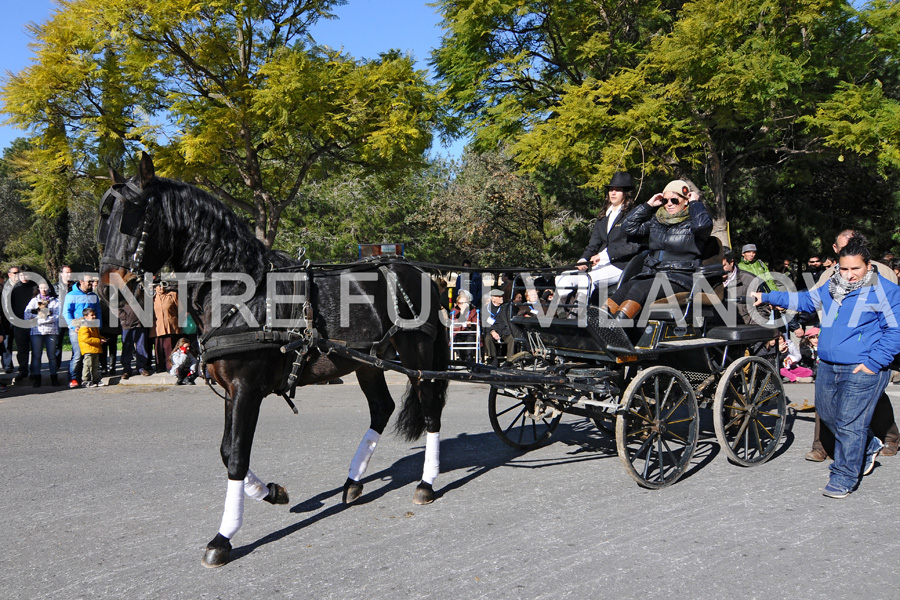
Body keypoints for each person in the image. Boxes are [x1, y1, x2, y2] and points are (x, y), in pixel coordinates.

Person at [754, 238, 900, 498]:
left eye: (855, 269)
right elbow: (805, 301)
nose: (849, 275)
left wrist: (873, 363)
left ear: (868, 266)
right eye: (844, 269)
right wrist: (766, 296)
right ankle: (867, 446)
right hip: (829, 366)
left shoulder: (885, 291)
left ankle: (844, 476)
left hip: (862, 367)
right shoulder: (832, 287)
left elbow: (895, 332)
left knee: (849, 422)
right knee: (831, 418)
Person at [804, 230, 900, 460]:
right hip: (835, 345)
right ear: (835, 250)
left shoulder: (882, 273)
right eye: (840, 248)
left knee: (872, 398)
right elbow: (814, 301)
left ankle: (889, 436)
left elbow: (889, 313)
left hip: (869, 348)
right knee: (825, 400)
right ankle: (822, 445)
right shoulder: (829, 274)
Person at [605, 179, 712, 321]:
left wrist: (695, 203)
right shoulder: (658, 221)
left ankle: (616, 328)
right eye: (665, 200)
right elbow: (628, 226)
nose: (669, 204)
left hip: (680, 276)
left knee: (639, 289)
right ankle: (599, 321)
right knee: (624, 289)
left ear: (686, 200)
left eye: (674, 200)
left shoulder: (693, 223)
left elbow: (702, 225)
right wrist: (648, 205)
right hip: (654, 272)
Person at [556, 172, 643, 303]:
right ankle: (563, 313)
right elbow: (594, 244)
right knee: (563, 277)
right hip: (599, 267)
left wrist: (603, 256)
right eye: (611, 190)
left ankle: (578, 316)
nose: (613, 193)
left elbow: (632, 246)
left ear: (626, 193)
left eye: (618, 190)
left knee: (587, 279)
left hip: (620, 266)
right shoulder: (603, 216)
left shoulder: (632, 215)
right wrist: (583, 259)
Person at [63, 273, 102, 388]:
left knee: (91, 353)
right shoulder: (71, 295)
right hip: (77, 329)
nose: (91, 283)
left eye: (91, 281)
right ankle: (73, 378)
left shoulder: (93, 295)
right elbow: (67, 312)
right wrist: (73, 326)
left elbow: (98, 311)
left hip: (91, 329)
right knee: (78, 354)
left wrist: (98, 326)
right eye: (89, 281)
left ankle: (89, 378)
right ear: (81, 281)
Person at [23, 282, 61, 387]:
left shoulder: (55, 301)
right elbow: (27, 315)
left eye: (46, 288)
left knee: (52, 355)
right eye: (41, 288)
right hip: (36, 331)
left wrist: (37, 319)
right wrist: (42, 318)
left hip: (51, 331)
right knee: (36, 355)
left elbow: (56, 317)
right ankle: (37, 378)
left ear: (49, 289)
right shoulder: (34, 301)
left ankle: (54, 377)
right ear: (38, 289)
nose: (44, 290)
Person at [10, 266, 39, 384]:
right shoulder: (14, 288)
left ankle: (34, 371)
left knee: (35, 349)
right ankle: (23, 370)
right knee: (22, 349)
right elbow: (9, 305)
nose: (24, 277)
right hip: (19, 323)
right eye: (22, 275)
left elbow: (42, 303)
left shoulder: (35, 286)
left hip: (34, 323)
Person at [119, 287, 152, 379]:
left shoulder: (141, 298)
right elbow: (116, 310)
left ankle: (141, 367)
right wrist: (125, 319)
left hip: (140, 325)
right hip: (127, 326)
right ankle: (126, 369)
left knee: (141, 347)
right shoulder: (121, 301)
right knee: (127, 347)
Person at [153, 280, 181, 373]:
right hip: (158, 327)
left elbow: (180, 310)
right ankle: (160, 367)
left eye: (163, 285)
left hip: (171, 326)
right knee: (159, 348)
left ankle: (170, 366)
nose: (161, 288)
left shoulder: (172, 295)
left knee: (170, 347)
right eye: (158, 286)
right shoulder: (152, 298)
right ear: (155, 288)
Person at [78, 308, 106, 387]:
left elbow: (97, 335)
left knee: (95, 365)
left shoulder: (94, 325)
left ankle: (95, 379)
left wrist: (101, 338)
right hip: (88, 349)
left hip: (95, 349)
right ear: (86, 317)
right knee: (88, 365)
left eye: (94, 315)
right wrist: (98, 340)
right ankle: (85, 380)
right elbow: (86, 339)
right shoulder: (84, 327)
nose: (94, 316)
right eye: (92, 315)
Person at [449, 289, 478, 361]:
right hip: (458, 332)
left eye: (464, 303)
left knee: (471, 338)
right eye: (460, 303)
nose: (462, 305)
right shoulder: (454, 311)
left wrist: (470, 324)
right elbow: (452, 323)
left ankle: (469, 357)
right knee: (457, 339)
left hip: (469, 331)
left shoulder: (473, 310)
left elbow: (476, 323)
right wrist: (461, 315)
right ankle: (462, 357)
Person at [54, 266, 73, 371]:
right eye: (66, 272)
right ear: (61, 274)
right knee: (57, 344)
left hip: (71, 318)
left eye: (70, 272)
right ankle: (56, 366)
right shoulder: (55, 287)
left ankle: (74, 366)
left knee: (75, 343)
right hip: (59, 319)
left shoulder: (75, 287)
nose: (69, 275)